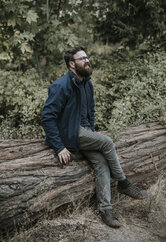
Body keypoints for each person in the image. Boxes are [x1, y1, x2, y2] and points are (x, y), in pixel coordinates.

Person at [41, 46, 148, 228]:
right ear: (72, 64)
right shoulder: (60, 85)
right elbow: (47, 118)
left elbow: (90, 111)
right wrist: (59, 146)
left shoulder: (87, 84)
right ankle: (123, 183)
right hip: (69, 134)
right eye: (82, 58)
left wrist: (91, 133)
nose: (87, 60)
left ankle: (105, 210)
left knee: (101, 162)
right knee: (107, 142)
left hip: (84, 133)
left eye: (87, 57)